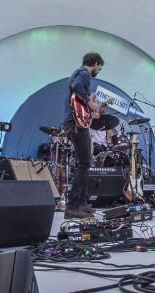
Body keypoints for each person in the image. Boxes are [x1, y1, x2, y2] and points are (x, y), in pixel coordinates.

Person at [61, 52, 105, 219]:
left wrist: (93, 110)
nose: (99, 71)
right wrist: (90, 101)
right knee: (84, 163)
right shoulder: (85, 73)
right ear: (94, 63)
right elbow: (77, 86)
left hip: (75, 122)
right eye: (99, 67)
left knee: (85, 163)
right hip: (75, 125)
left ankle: (82, 203)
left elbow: (78, 101)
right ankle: (72, 207)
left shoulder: (79, 73)